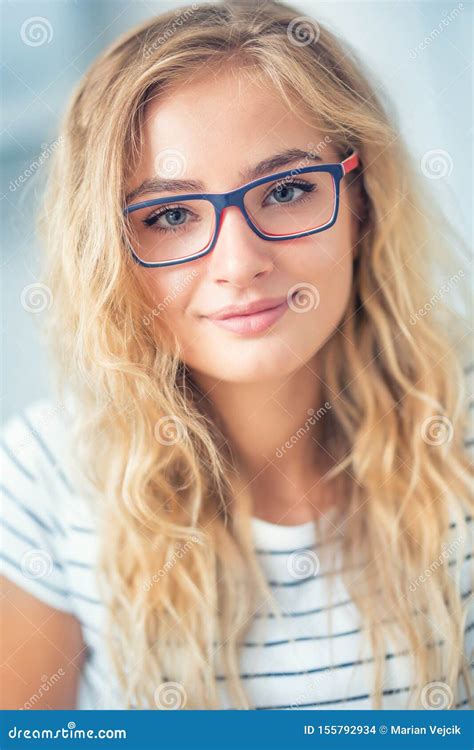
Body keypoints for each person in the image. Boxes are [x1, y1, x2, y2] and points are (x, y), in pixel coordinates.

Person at [1, 0, 473, 711]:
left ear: (362, 200)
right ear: (106, 252)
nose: (239, 262)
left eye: (286, 190)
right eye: (168, 215)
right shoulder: (43, 479)